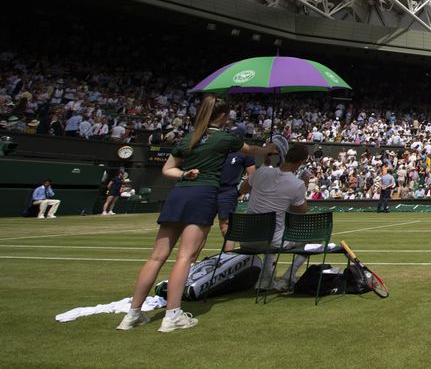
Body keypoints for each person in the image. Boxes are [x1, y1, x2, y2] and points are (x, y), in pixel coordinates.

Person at [116, 95, 273, 333]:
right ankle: (172, 315)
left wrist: (185, 174)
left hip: (178, 194)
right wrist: (269, 148)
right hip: (204, 194)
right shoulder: (225, 137)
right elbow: (251, 149)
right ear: (222, 116)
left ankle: (132, 314)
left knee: (156, 257)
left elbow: (168, 169)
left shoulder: (190, 137)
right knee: (185, 257)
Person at [240, 140, 309, 291]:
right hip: (272, 241)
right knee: (311, 240)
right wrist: (304, 187)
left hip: (245, 239)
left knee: (271, 233)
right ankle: (287, 278)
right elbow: (301, 210)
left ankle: (266, 279)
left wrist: (263, 172)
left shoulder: (261, 172)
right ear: (302, 162)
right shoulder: (297, 184)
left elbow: (243, 189)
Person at [217, 145, 257, 250]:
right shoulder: (216, 149)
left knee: (225, 227)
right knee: (202, 226)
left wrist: (241, 191)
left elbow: (252, 176)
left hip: (228, 191)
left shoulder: (244, 153)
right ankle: (192, 262)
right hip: (209, 188)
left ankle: (228, 258)